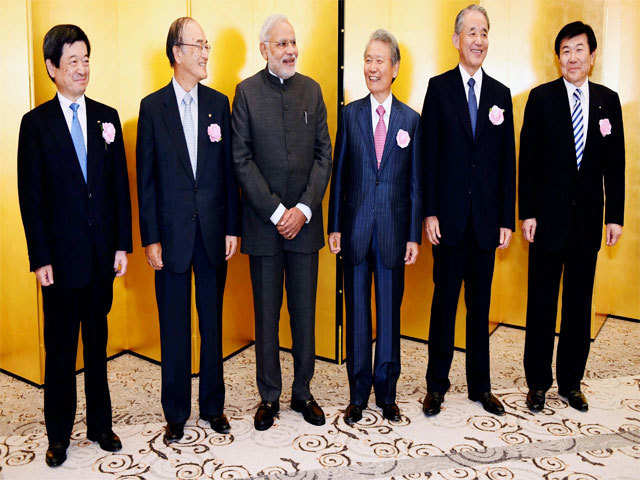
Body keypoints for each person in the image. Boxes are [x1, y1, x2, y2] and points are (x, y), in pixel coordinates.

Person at [17, 24, 132, 467]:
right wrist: (40, 257)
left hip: (101, 257)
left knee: (98, 345)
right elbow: (31, 198)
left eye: (86, 59)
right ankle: (58, 433)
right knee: (61, 350)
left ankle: (101, 426)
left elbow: (119, 187)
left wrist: (122, 244)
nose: (82, 68)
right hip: (60, 263)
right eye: (73, 61)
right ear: (52, 68)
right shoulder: (36, 124)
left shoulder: (107, 117)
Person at [136, 17, 240, 443]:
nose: (205, 53)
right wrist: (150, 238)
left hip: (214, 234)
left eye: (207, 45)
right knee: (174, 326)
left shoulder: (219, 103)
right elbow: (146, 180)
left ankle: (213, 407)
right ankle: (176, 412)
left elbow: (229, 173)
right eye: (198, 45)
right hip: (172, 238)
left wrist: (233, 227)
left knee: (212, 325)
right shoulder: (152, 107)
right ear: (176, 52)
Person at [232, 14, 332, 431]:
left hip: (304, 227)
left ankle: (303, 392)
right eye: (281, 44)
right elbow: (241, 158)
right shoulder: (246, 93)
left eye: (293, 42)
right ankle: (269, 396)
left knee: (304, 314)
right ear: (264, 50)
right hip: (264, 227)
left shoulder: (312, 90)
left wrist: (304, 210)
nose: (291, 50)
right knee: (267, 316)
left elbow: (325, 155)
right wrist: (276, 212)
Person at [519, 21, 625, 413]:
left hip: (587, 224)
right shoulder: (541, 98)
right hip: (546, 221)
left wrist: (615, 215)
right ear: (558, 57)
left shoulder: (607, 101)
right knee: (542, 304)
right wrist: (527, 212)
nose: (573, 57)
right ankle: (538, 383)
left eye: (579, 49)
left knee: (579, 306)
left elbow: (616, 163)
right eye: (565, 50)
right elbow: (527, 161)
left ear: (592, 56)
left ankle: (570, 382)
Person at [421, 4, 516, 417]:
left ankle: (481, 385)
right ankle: (436, 386)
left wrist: (505, 220)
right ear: (456, 39)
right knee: (444, 304)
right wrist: (429, 212)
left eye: (484, 32)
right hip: (450, 220)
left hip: (485, 225)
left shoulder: (500, 94)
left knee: (481, 307)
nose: (478, 40)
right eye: (471, 32)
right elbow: (428, 157)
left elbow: (505, 162)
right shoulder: (438, 88)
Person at [328, 29, 421, 425]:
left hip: (393, 235)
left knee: (388, 317)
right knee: (357, 317)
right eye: (367, 59)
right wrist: (334, 225)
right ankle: (357, 394)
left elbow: (416, 184)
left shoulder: (410, 120)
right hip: (355, 230)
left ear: (395, 68)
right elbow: (340, 171)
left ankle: (387, 393)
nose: (372, 67)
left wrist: (414, 234)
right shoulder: (349, 115)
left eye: (380, 60)